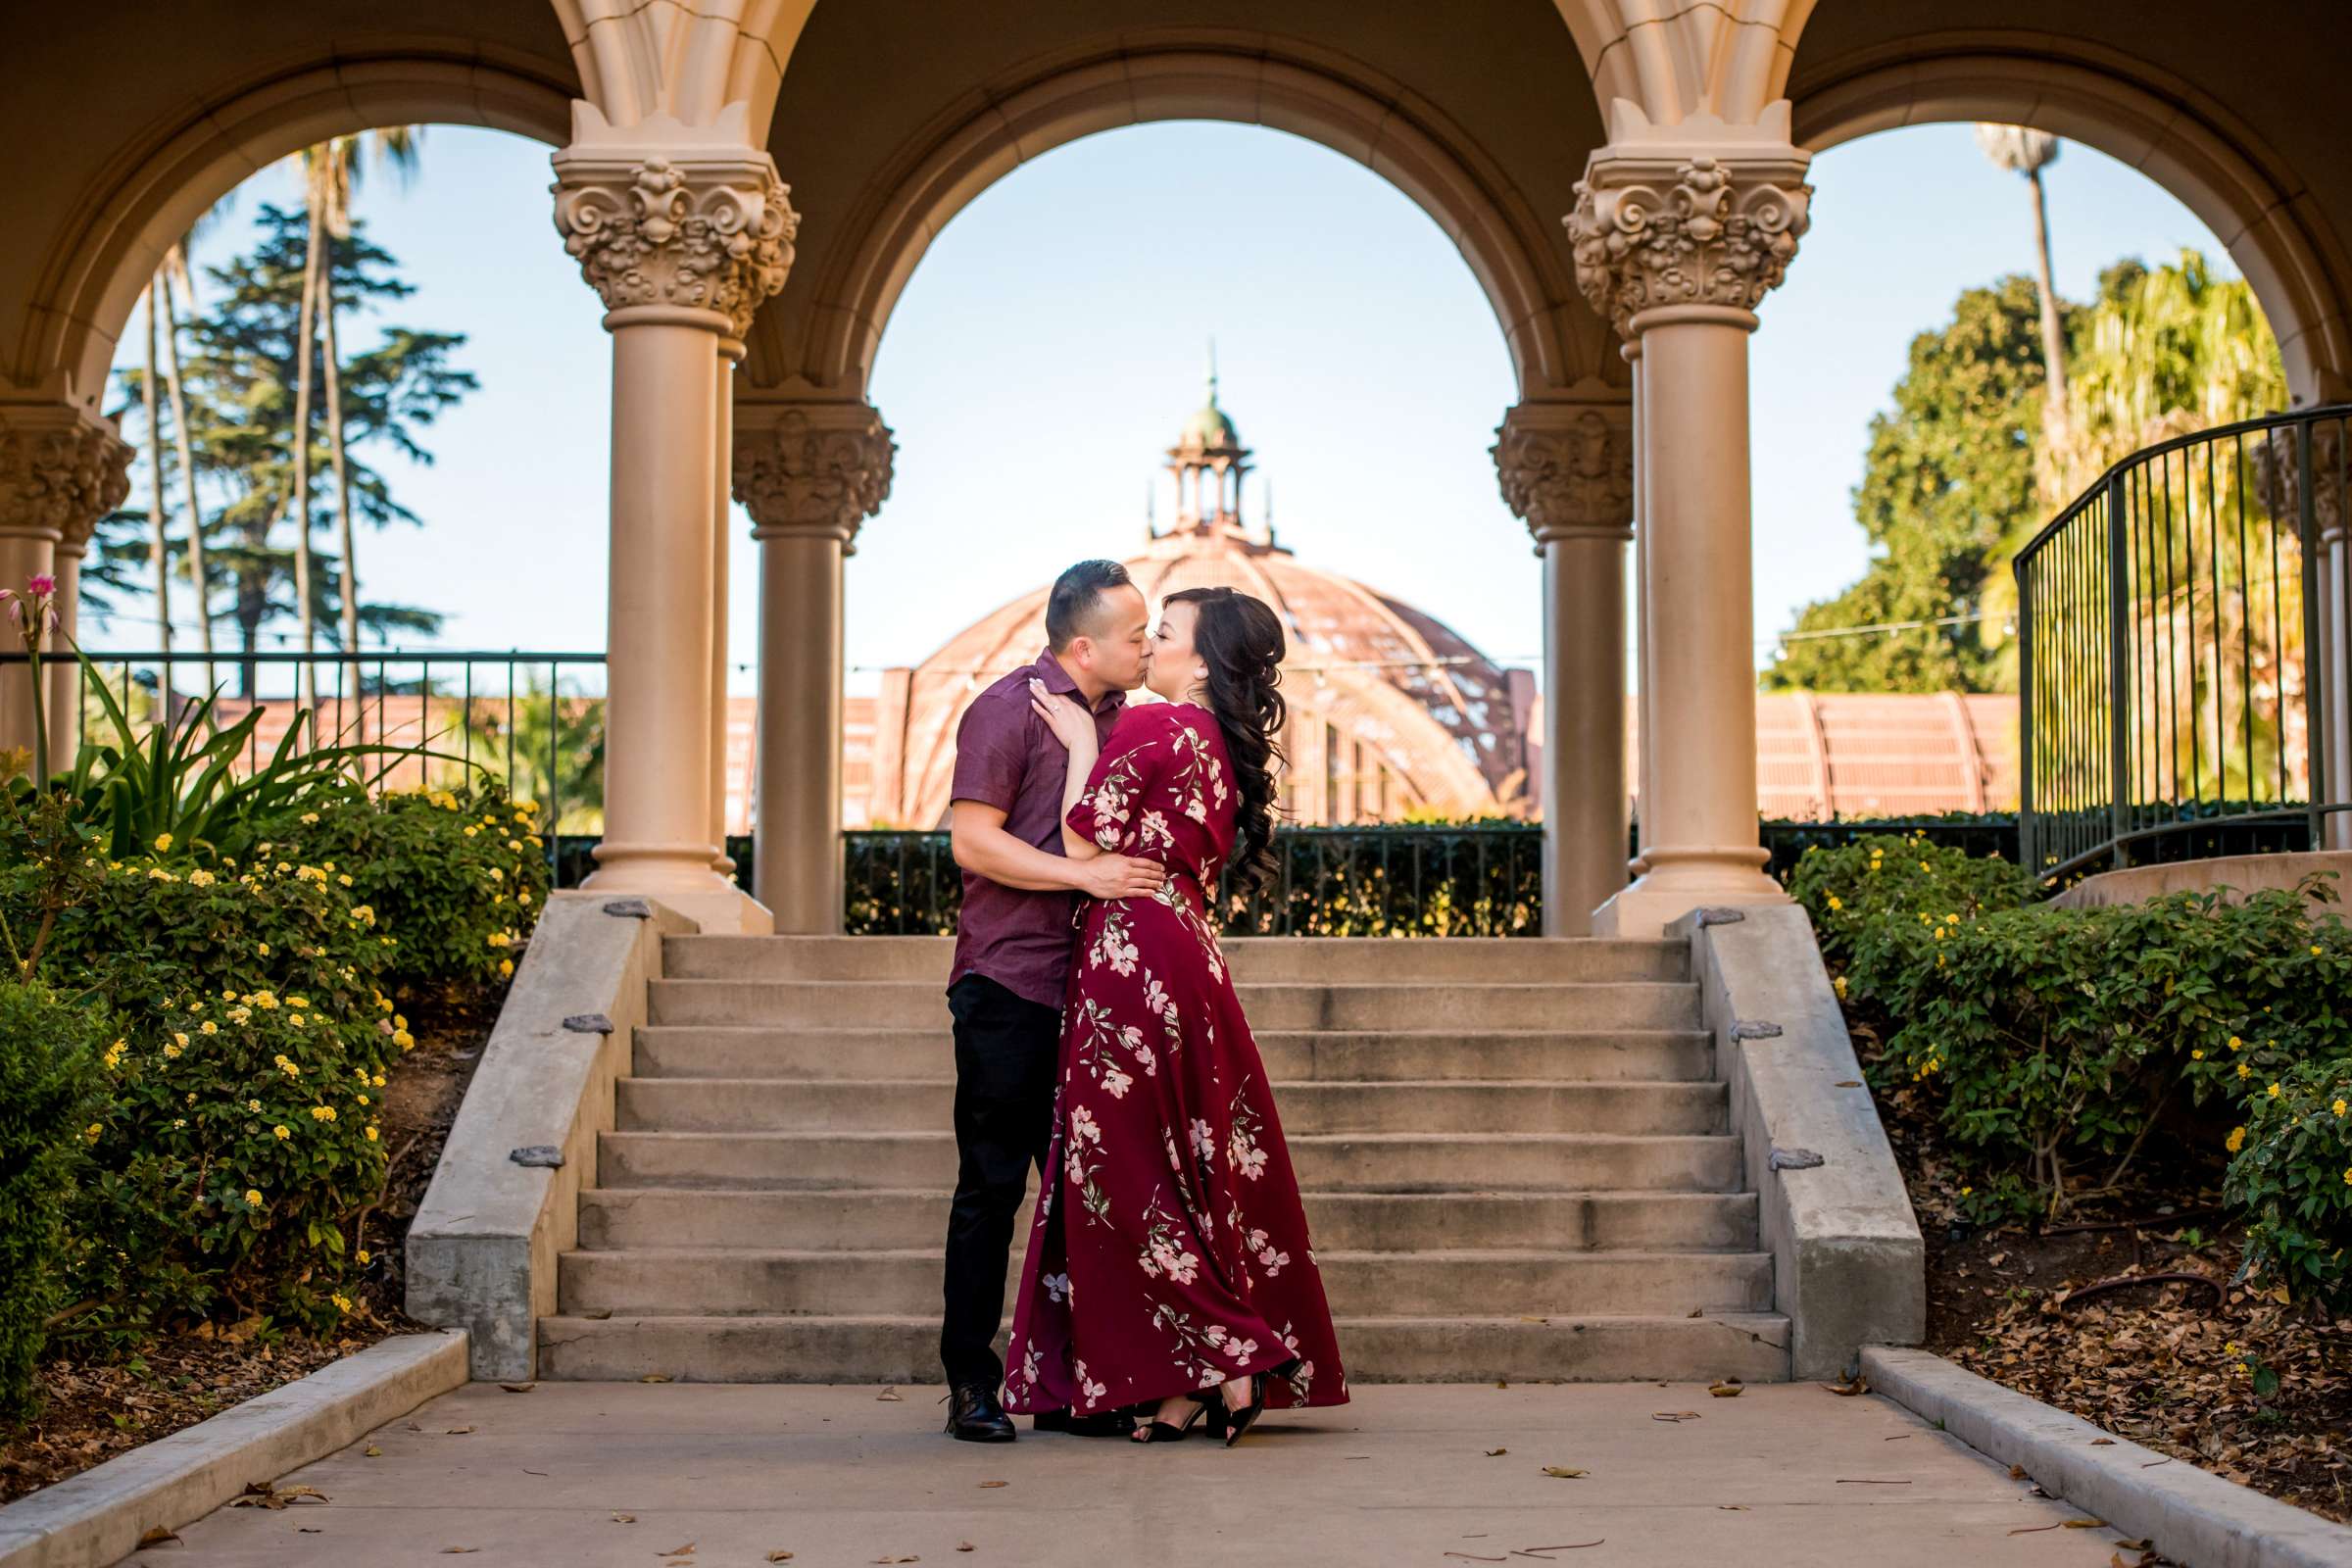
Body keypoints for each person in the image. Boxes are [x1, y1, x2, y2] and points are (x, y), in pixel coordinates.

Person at [1004, 585, 1348, 1446]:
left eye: (1165, 632)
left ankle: (1233, 1354)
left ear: (1200, 661)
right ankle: (1186, 1380)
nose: (1149, 644)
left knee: (1119, 1169)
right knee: (1176, 1167)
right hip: (1187, 954)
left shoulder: (1153, 726)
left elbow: (1085, 843)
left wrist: (1084, 739)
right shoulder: (1220, 747)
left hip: (1130, 955)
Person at [939, 560, 1169, 1445]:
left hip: (1101, 989)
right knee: (992, 1188)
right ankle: (971, 1385)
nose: (1147, 646)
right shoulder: (1007, 709)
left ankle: (1084, 1385)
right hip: (1009, 982)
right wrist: (1083, 876)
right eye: (1134, 634)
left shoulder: (1125, 722)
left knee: (1086, 1196)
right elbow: (973, 842)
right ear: (1084, 645)